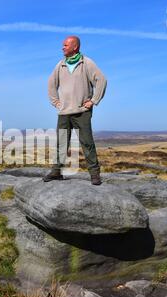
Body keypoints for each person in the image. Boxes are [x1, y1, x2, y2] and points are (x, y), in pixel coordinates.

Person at [43, 35, 107, 185]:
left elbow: (101, 80)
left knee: (87, 143)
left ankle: (94, 174)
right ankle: (56, 172)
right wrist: (56, 102)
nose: (62, 47)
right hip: (64, 113)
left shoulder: (86, 62)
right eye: (63, 45)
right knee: (61, 143)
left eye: (66, 45)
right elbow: (51, 83)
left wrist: (93, 101)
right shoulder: (60, 65)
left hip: (82, 112)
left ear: (75, 47)